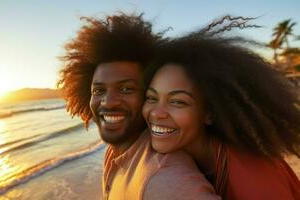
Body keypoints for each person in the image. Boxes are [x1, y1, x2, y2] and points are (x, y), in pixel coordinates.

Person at [58, 13, 220, 199]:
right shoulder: (114, 152)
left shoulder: (165, 178)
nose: (108, 102)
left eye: (126, 89)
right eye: (98, 91)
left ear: (148, 95)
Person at [142, 31, 300, 199]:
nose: (157, 113)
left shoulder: (254, 182)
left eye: (178, 102)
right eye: (152, 98)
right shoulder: (198, 152)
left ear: (209, 114)